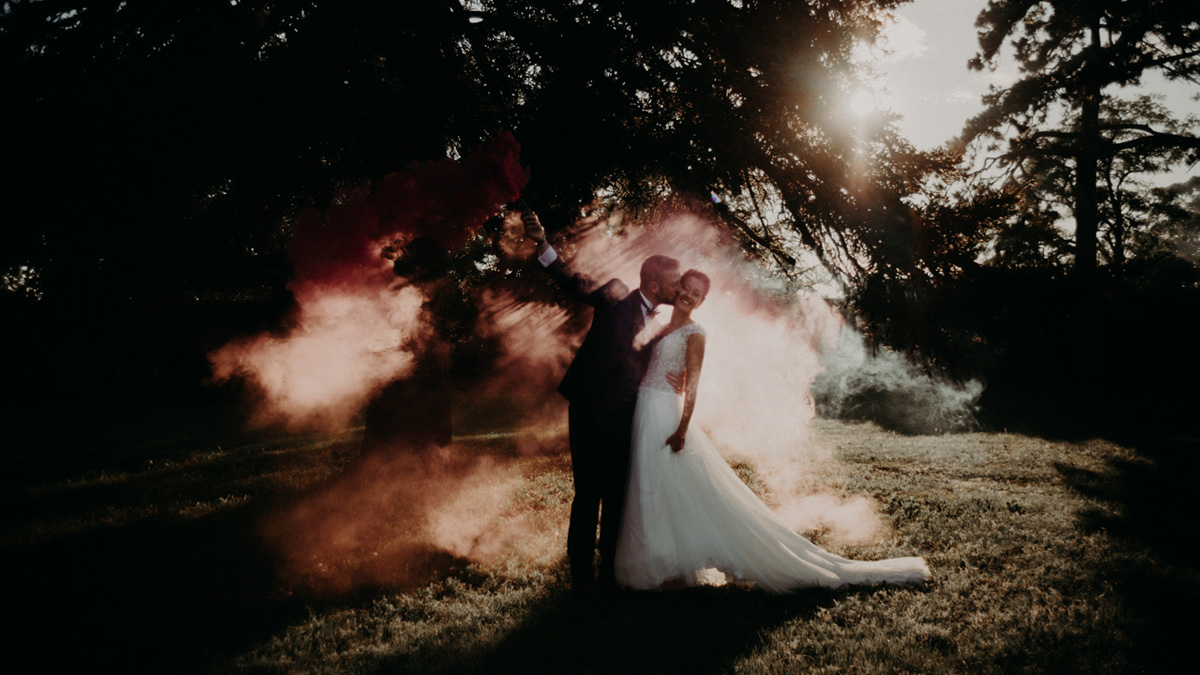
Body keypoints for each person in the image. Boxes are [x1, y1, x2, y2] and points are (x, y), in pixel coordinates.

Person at [614, 269, 931, 592]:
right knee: (653, 483)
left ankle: (683, 558)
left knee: (674, 483)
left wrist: (682, 428)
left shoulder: (696, 333)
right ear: (678, 286)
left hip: (667, 414)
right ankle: (661, 559)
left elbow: (693, 386)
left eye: (697, 293)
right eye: (687, 287)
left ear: (702, 301)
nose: (689, 295)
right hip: (646, 407)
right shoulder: (660, 325)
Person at [522, 211, 681, 592]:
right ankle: (580, 577)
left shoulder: (664, 323)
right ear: (655, 285)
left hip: (630, 419)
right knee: (587, 493)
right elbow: (574, 283)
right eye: (675, 282)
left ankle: (609, 572)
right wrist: (543, 244)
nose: (680, 288)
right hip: (590, 411)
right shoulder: (616, 296)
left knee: (617, 498)